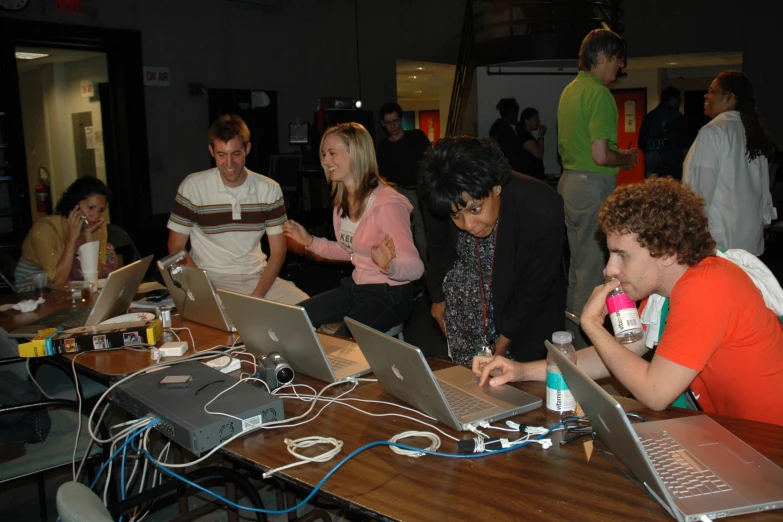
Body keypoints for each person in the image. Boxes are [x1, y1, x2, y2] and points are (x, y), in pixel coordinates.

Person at [474, 178, 783, 426]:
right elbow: (618, 356)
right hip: (736, 433)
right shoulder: (667, 292)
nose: (610, 269)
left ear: (666, 252)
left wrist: (592, 326)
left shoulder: (706, 288)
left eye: (622, 255)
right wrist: (522, 371)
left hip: (768, 443)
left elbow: (655, 392)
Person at [418, 136, 565, 365]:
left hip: (526, 313)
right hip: (466, 308)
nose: (467, 225)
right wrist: (438, 299)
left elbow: (535, 285)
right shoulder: (442, 193)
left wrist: (503, 342)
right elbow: (438, 250)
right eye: (456, 215)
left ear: (496, 188)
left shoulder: (541, 206)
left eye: (475, 209)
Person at [283, 123, 424, 338]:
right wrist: (309, 241)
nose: (326, 161)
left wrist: (389, 265)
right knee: (294, 318)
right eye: (324, 154)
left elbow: (416, 267)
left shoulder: (388, 205)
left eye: (332, 154)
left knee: (341, 344)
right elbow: (351, 251)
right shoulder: (343, 200)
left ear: (357, 154)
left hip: (390, 294)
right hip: (358, 287)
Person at [167, 114, 308, 304]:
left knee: (310, 315)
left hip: (258, 277)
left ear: (247, 149)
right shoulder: (193, 187)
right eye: (221, 155)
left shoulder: (269, 189)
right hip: (211, 278)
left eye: (236, 154)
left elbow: (278, 251)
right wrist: (204, 291)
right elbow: (176, 247)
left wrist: (257, 296)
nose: (229, 163)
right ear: (211, 151)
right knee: (226, 329)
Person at [557, 28, 638, 316]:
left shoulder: (569, 91)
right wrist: (626, 160)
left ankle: (570, 338)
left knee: (578, 267)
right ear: (601, 56)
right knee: (593, 270)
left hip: (569, 184)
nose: (621, 66)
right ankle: (584, 347)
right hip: (592, 186)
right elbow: (601, 155)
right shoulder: (599, 94)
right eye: (618, 58)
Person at [683, 70, 775, 256]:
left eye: (712, 90)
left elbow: (699, 191)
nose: (706, 95)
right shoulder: (752, 132)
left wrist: (689, 233)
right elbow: (764, 189)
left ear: (730, 98)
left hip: (720, 242)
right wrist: (765, 216)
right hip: (749, 243)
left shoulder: (714, 132)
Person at [15, 177, 117, 292]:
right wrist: (72, 240)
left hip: (70, 283)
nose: (95, 215)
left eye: (100, 210)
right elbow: (58, 280)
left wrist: (89, 237)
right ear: (74, 204)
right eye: (90, 208)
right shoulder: (45, 228)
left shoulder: (96, 227)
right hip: (36, 284)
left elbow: (95, 275)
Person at [375, 102, 431, 265]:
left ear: (401, 120)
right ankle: (413, 266)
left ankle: (424, 266)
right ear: (383, 124)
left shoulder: (416, 137)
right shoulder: (384, 148)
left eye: (395, 121)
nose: (392, 126)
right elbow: (383, 175)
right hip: (399, 191)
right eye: (388, 123)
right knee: (405, 231)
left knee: (420, 229)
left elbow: (430, 161)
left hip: (419, 189)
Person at [638, 86, 688, 179]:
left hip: (652, 169)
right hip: (673, 170)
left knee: (653, 192)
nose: (680, 102)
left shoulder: (649, 117)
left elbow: (641, 144)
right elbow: (684, 146)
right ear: (672, 98)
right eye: (679, 100)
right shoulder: (677, 117)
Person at [489, 98, 524, 173]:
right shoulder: (504, 129)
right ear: (511, 114)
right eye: (516, 114)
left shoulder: (497, 126)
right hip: (507, 170)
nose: (517, 117)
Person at [514, 107, 547, 179]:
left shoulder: (524, 135)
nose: (539, 121)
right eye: (536, 119)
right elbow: (539, 154)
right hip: (530, 177)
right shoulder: (524, 137)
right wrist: (540, 136)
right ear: (527, 121)